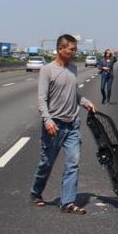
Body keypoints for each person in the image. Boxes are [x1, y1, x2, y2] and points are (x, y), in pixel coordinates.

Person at [30, 33, 96, 214]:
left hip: (72, 124)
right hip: (54, 125)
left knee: (73, 163)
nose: (74, 52)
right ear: (60, 49)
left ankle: (67, 202)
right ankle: (36, 193)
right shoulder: (47, 70)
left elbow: (73, 94)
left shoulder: (73, 69)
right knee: (47, 162)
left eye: (75, 49)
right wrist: (48, 120)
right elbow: (42, 100)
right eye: (71, 49)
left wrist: (85, 102)